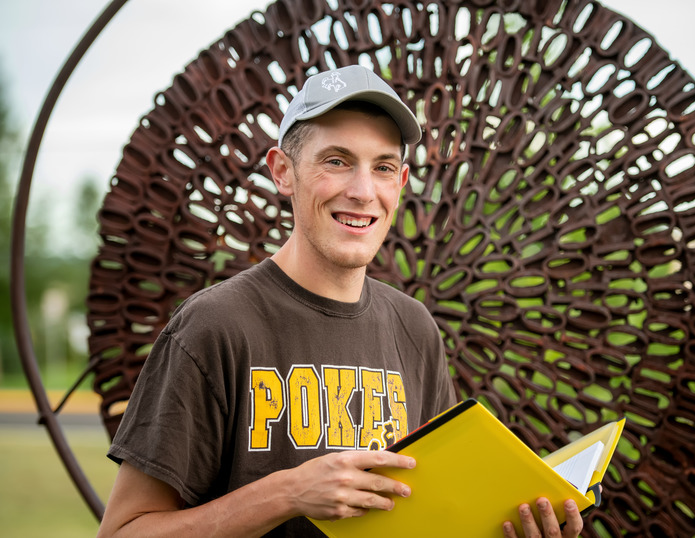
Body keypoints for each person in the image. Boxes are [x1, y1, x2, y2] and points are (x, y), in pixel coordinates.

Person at [97, 65, 585, 538]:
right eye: (337, 161)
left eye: (383, 167)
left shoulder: (413, 328)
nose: (362, 191)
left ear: (402, 181)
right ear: (283, 172)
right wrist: (287, 493)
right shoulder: (214, 326)